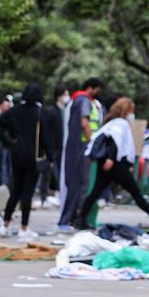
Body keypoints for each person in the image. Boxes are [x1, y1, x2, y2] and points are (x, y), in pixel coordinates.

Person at [73, 98, 149, 228]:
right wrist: (111, 158)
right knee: (135, 191)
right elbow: (115, 141)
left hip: (106, 163)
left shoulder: (111, 122)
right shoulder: (121, 123)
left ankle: (81, 219)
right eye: (132, 111)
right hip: (116, 164)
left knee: (95, 192)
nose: (133, 114)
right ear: (126, 111)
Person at [0, 83, 55, 240]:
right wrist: (50, 157)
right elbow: (45, 137)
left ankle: (5, 225)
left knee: (15, 191)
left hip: (16, 155)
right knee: (27, 193)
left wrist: (8, 142)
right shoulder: (40, 112)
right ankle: (24, 227)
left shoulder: (14, 111)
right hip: (33, 157)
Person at [59, 77, 105, 231]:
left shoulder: (76, 100)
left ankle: (73, 219)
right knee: (81, 184)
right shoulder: (85, 101)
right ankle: (75, 219)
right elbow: (84, 122)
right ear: (92, 87)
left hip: (77, 146)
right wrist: (93, 141)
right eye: (98, 89)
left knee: (76, 184)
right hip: (83, 146)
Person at [37, 85, 69, 206]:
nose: (67, 97)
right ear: (59, 96)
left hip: (61, 147)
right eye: (65, 94)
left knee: (59, 173)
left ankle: (58, 195)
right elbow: (47, 131)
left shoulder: (65, 111)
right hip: (51, 147)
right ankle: (44, 197)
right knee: (48, 173)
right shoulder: (51, 111)